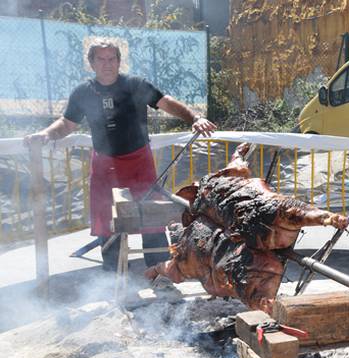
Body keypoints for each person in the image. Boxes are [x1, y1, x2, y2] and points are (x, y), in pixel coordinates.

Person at [25, 40, 216, 271]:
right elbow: (66, 124)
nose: (107, 64)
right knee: (107, 221)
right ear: (91, 63)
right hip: (104, 165)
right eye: (101, 59)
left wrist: (195, 118)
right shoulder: (83, 92)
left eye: (112, 59)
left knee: (152, 217)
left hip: (139, 162)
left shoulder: (135, 84)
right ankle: (112, 276)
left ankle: (160, 273)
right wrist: (46, 135)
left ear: (118, 61)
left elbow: (166, 103)